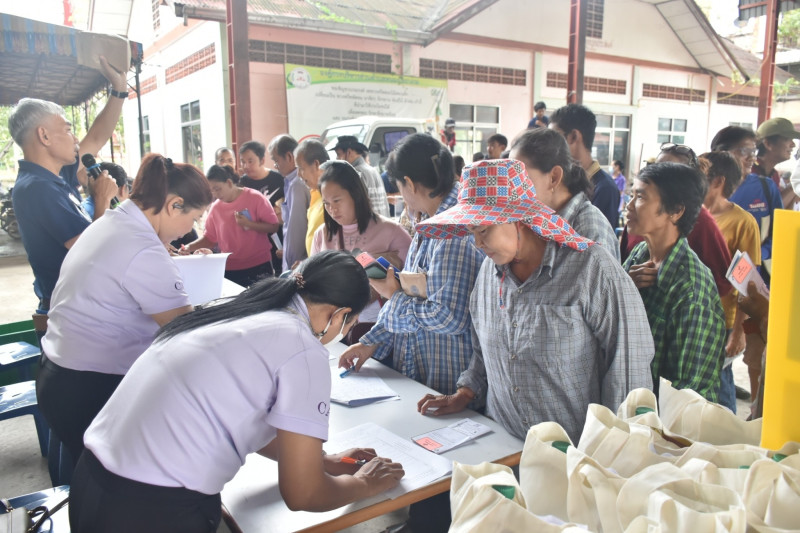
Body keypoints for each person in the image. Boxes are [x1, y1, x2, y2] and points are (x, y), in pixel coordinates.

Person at [69, 251, 404, 532]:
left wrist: (321, 460)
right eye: (350, 323)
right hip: (153, 509)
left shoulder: (240, 309)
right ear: (340, 315)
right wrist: (366, 483)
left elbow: (237, 412)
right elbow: (304, 493)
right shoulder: (302, 346)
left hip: (92, 481)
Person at [414, 158, 654, 444]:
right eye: (472, 232)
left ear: (520, 219)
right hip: (506, 444)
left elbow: (628, 365)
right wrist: (466, 391)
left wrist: (613, 449)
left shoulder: (590, 268)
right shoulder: (488, 275)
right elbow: (482, 350)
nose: (477, 244)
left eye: (483, 230)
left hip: (576, 453)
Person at [36, 153, 212, 463]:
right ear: (174, 205)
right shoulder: (142, 247)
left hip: (59, 376)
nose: (190, 230)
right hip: (89, 388)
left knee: (88, 474)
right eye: (195, 218)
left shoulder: (112, 222)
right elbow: (185, 332)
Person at [339, 133, 484, 396]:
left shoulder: (453, 230)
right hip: (423, 372)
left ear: (409, 183)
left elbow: (449, 317)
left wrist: (393, 295)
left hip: (449, 383)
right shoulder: (429, 220)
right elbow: (413, 295)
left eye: (399, 185)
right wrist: (372, 342)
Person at [9, 56, 128, 312]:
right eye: (67, 130)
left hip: (79, 302)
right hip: (71, 310)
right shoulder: (37, 188)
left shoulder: (54, 176)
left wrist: (119, 89)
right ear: (44, 135)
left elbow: (96, 137)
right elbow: (90, 252)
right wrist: (101, 201)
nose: (75, 139)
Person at [623, 162, 726, 402]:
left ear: (676, 211)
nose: (629, 205)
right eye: (631, 195)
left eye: (641, 197)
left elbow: (687, 392)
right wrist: (624, 287)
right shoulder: (639, 254)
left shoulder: (690, 290)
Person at [621, 142, 734, 301]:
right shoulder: (639, 242)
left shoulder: (691, 288)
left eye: (670, 173)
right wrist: (626, 284)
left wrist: (675, 291)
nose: (657, 177)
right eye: (657, 168)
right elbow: (622, 262)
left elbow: (721, 282)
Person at [311, 160, 412, 336]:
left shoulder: (391, 231)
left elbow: (413, 284)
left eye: (337, 200)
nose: (332, 209)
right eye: (326, 203)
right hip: (334, 329)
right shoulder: (322, 234)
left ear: (356, 195)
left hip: (382, 329)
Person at [699, 151, 761, 413]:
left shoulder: (742, 223)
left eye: (700, 175)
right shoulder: (690, 213)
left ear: (717, 181)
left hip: (722, 319)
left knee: (721, 385)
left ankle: (726, 434)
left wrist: (738, 332)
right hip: (694, 313)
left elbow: (748, 285)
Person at [509, 128, 620, 259]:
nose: (511, 190)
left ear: (554, 178)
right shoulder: (537, 220)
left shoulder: (589, 232)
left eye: (518, 178)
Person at [184, 165, 280, 287]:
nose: (215, 194)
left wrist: (249, 224)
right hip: (230, 267)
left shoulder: (255, 198)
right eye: (212, 191)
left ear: (229, 182)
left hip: (259, 264)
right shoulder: (216, 208)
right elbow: (210, 238)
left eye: (217, 189)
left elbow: (273, 226)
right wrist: (188, 247)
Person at [724, 123, 788, 287]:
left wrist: (756, 255)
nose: (751, 157)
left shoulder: (766, 186)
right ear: (722, 152)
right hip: (716, 274)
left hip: (756, 278)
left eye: (754, 152)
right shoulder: (707, 188)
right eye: (744, 151)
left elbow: (781, 233)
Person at [549, 104, 620, 229]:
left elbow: (598, 237)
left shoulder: (605, 188)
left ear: (573, 137)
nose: (550, 147)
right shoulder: (563, 181)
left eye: (555, 139)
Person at [239, 140, 286, 273]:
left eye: (250, 161)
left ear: (262, 160)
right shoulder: (242, 183)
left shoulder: (279, 179)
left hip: (278, 239)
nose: (246, 166)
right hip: (254, 243)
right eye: (242, 161)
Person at [269, 134, 309, 271]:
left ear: (289, 157)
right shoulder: (291, 182)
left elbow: (297, 229)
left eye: (276, 161)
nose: (275, 166)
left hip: (297, 265)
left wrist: (292, 264)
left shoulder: (297, 184)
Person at [333, 135, 390, 217]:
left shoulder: (354, 173)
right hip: (382, 223)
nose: (337, 158)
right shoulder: (373, 171)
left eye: (338, 155)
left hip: (367, 224)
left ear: (349, 152)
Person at [751, 117, 800, 209]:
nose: (793, 144)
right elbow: (771, 208)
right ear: (768, 144)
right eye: (787, 139)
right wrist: (795, 184)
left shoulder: (774, 175)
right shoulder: (750, 173)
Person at [294, 139, 330, 254]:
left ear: (316, 164)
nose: (298, 174)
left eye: (301, 168)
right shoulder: (315, 192)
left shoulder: (335, 194)